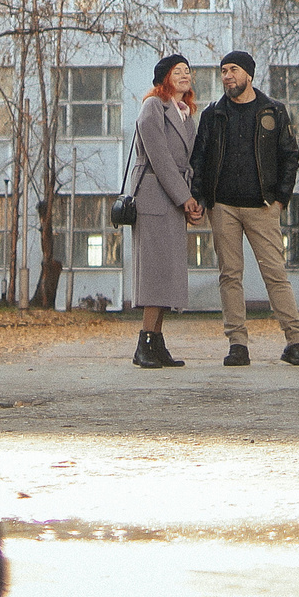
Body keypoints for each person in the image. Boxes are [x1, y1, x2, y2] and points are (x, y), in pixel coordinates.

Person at [188, 51, 299, 366]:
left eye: (233, 70)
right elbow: (199, 158)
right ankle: (237, 346)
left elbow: (290, 156)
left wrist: (281, 200)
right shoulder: (213, 113)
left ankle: (296, 342)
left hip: (263, 206)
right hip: (223, 207)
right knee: (230, 275)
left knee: (275, 274)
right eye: (223, 71)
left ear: (248, 75)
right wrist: (200, 198)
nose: (227, 76)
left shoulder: (273, 111)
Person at [126, 55, 201, 369]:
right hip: (155, 198)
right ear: (164, 78)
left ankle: (155, 342)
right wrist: (185, 198)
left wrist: (193, 199)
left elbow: (189, 163)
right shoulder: (154, 106)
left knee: (167, 272)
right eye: (177, 71)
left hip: (171, 199)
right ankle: (145, 341)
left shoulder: (186, 115)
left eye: (187, 71)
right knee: (155, 272)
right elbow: (159, 158)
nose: (184, 76)